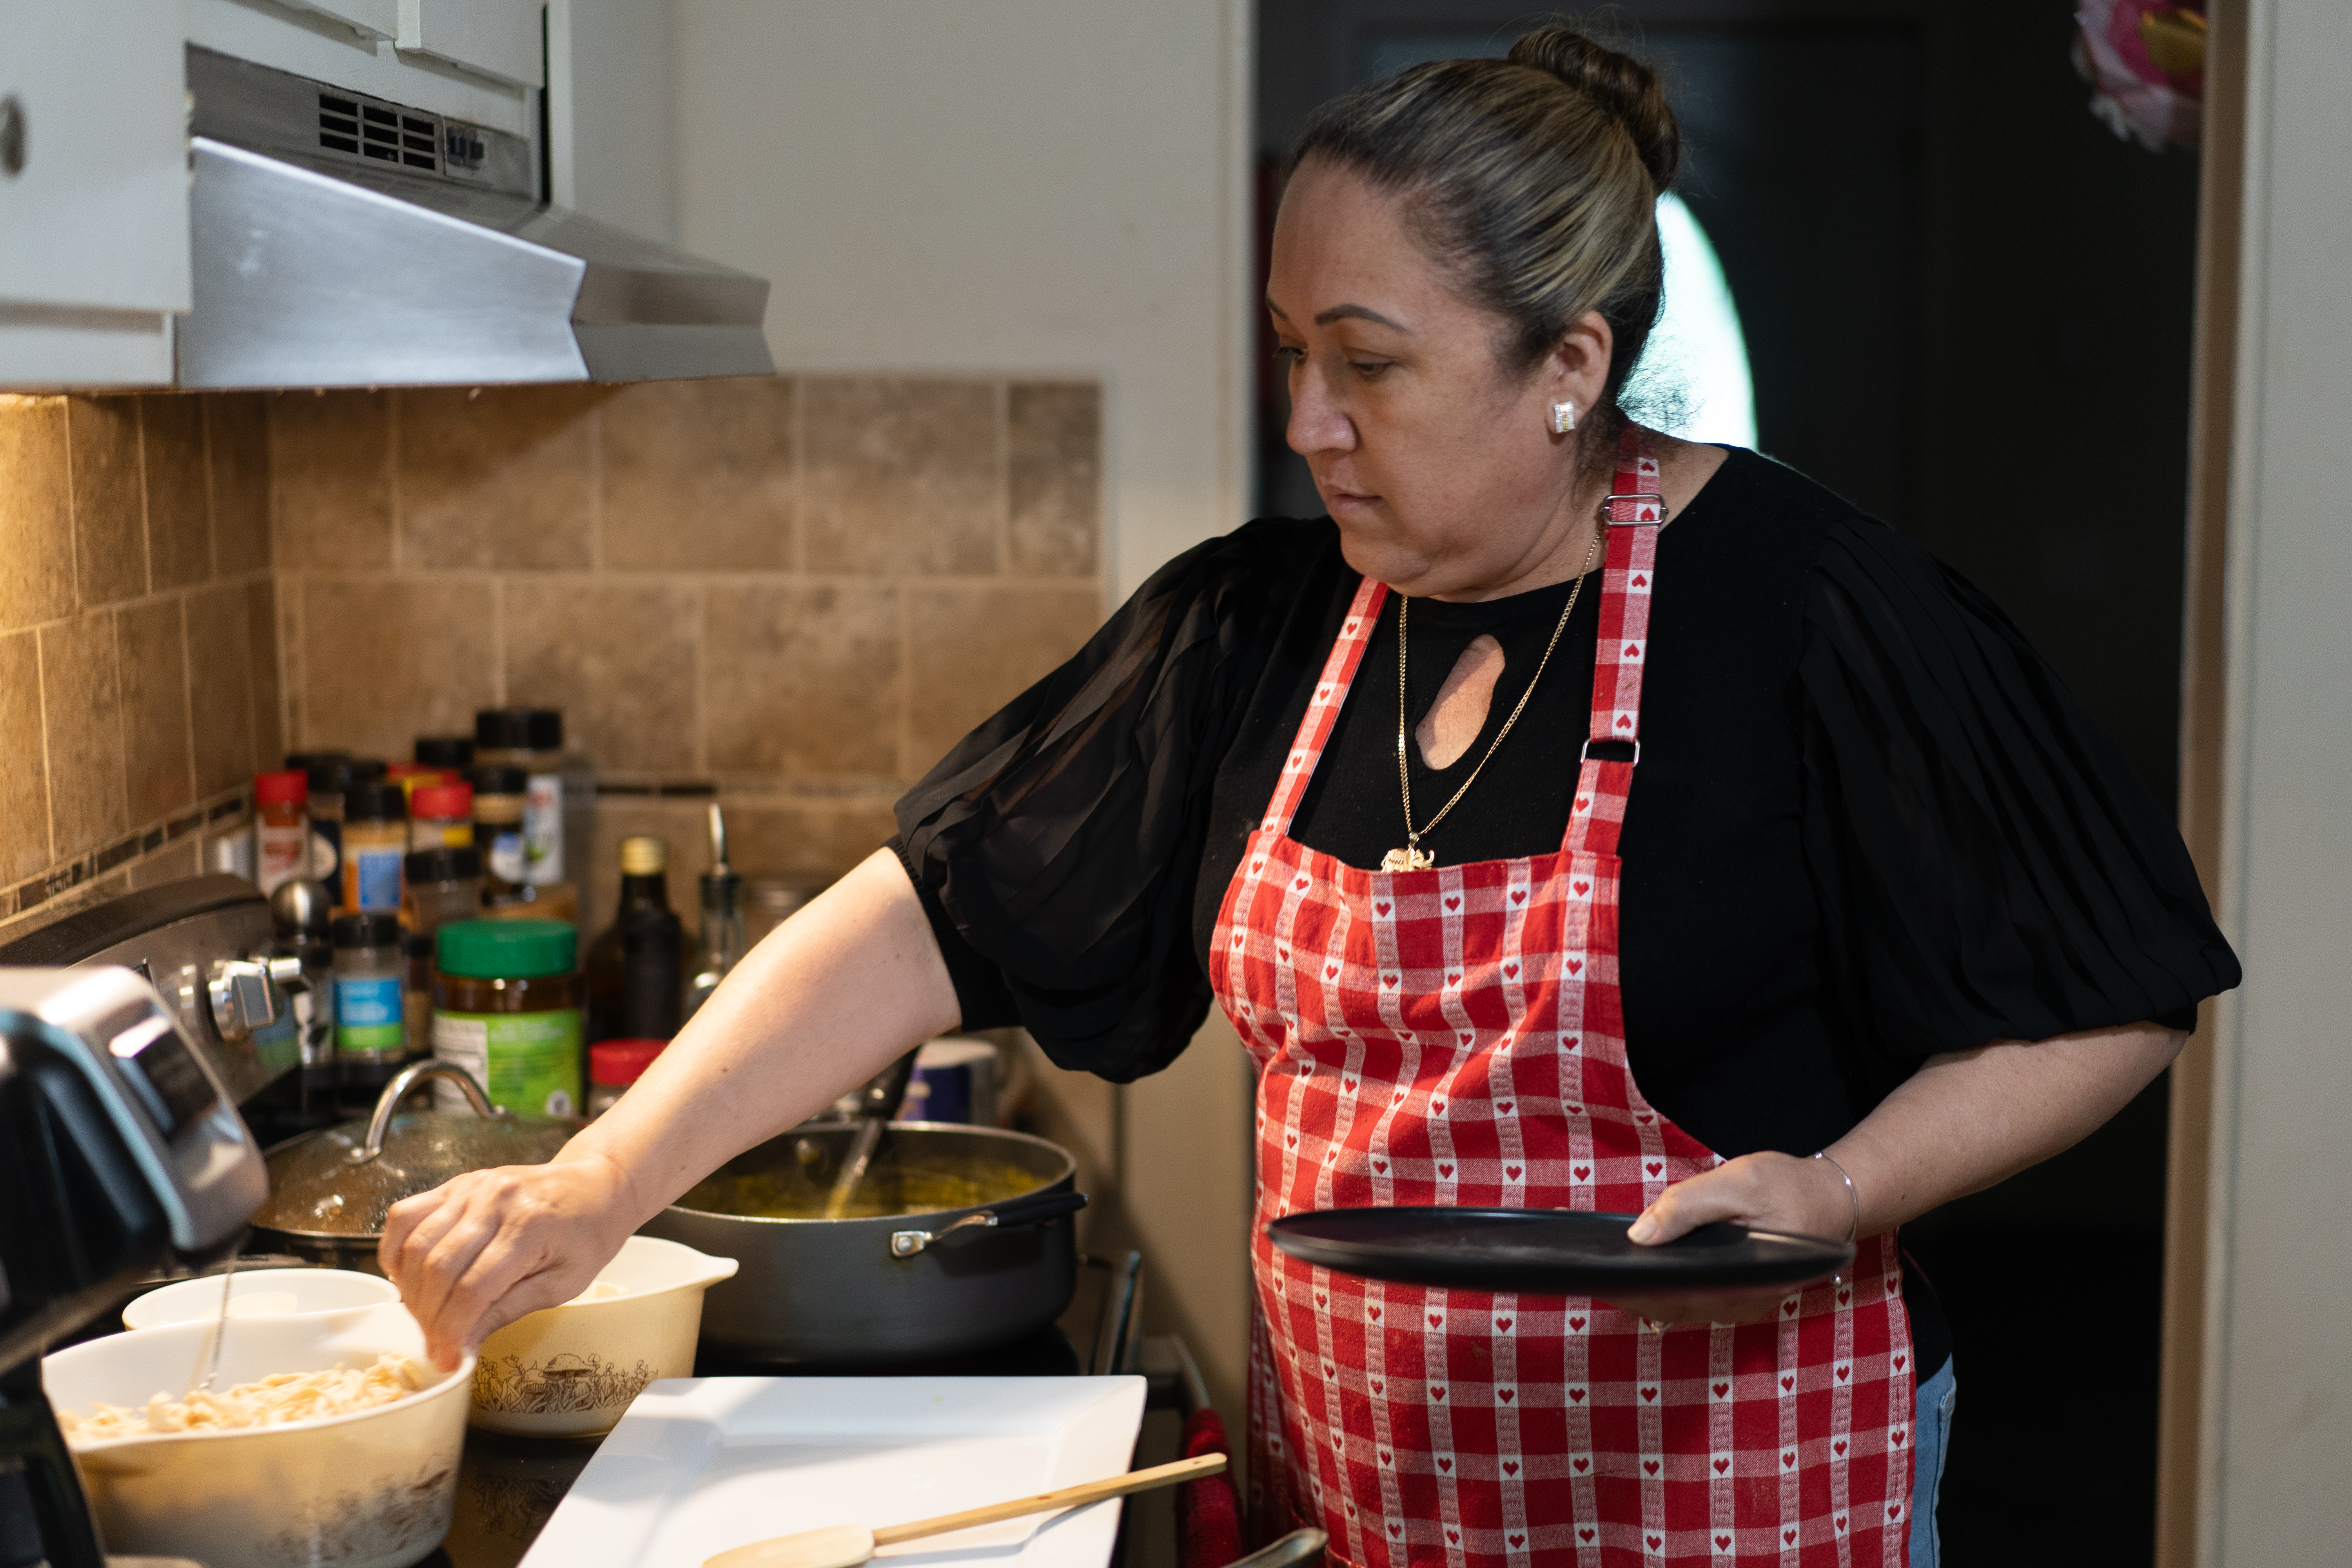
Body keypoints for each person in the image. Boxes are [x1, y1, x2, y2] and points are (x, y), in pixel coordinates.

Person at [382, 26, 2238, 1567]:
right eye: (1293, 353)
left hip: (1728, 1494)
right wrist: (604, 1181)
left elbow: (2110, 994)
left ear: (1571, 365)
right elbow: (933, 912)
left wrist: (1840, 1186)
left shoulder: (1817, 616)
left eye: (1367, 365)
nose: (1306, 424)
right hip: (1369, 1504)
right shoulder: (1257, 630)